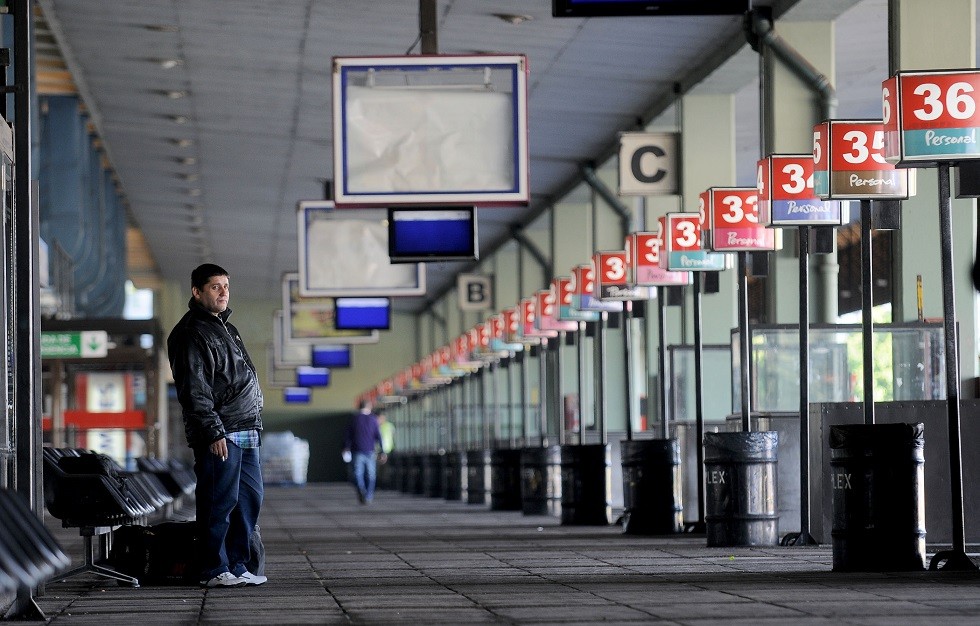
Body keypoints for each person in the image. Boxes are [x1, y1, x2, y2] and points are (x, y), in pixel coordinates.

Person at [167, 263, 267, 588]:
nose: (223, 292)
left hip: (246, 427)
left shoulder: (227, 328)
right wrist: (211, 431)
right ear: (197, 292)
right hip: (222, 431)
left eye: (226, 285)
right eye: (215, 287)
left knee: (249, 498)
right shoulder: (190, 333)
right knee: (218, 501)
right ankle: (213, 568)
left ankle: (237, 565)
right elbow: (194, 389)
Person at [343, 400, 386, 504]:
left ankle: (361, 490)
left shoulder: (354, 419)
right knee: (371, 475)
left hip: (356, 451)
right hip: (370, 451)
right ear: (369, 407)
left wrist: (346, 448)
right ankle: (368, 496)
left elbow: (347, 436)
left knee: (357, 474)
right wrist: (382, 451)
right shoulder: (373, 420)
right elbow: (378, 436)